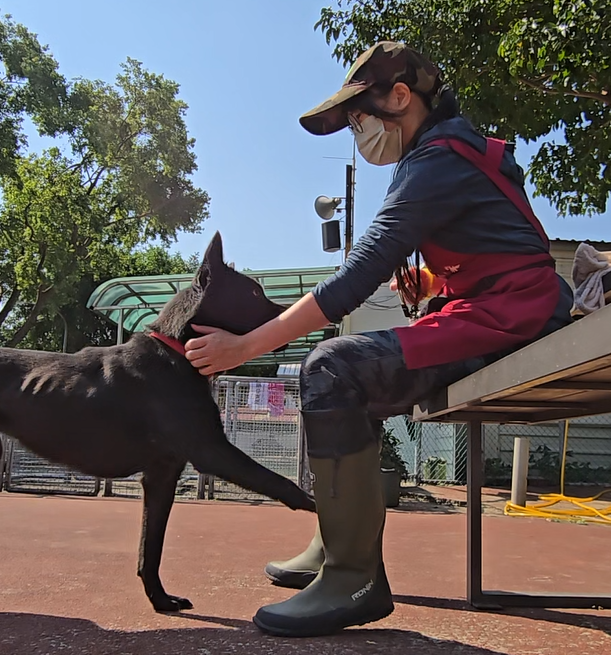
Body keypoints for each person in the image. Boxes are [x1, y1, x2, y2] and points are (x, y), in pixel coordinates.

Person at [184, 41, 574, 638]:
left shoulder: (437, 161)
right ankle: (335, 542)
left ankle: (353, 576)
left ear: (401, 97)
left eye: (359, 116)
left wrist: (245, 347)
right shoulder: (443, 153)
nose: (357, 131)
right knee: (350, 373)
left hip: (516, 315)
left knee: (333, 369)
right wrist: (430, 279)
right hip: (497, 303)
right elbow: (491, 247)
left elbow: (355, 278)